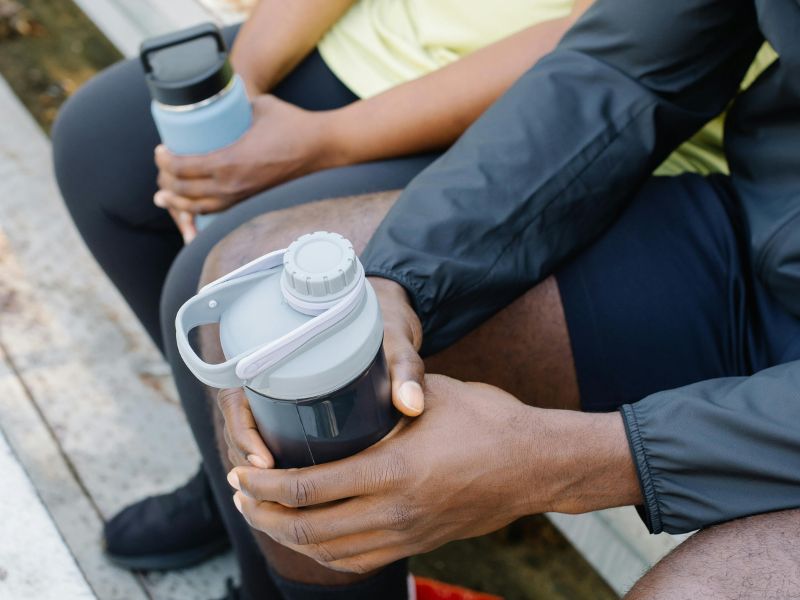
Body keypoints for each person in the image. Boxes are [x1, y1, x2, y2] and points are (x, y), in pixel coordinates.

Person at [197, 0, 800, 598]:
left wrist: (569, 462)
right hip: (759, 231)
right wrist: (398, 279)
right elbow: (629, 67)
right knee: (272, 310)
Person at [52, 0, 605, 586]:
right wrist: (238, 96)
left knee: (241, 306)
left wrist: (323, 142)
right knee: (98, 144)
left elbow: (612, 42)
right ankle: (232, 477)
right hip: (374, 38)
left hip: (538, 114)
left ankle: (269, 554)